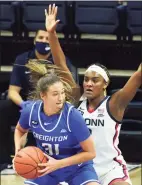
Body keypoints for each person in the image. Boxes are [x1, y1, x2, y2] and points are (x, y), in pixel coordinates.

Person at [45, 4, 142, 185]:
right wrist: (51, 34)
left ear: (105, 84)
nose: (88, 83)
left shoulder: (115, 103)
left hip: (109, 169)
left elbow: (138, 75)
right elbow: (61, 66)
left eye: (95, 80)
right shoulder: (76, 99)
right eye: (86, 79)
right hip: (80, 168)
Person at [0, 27, 78, 170]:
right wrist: (25, 106)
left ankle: (51, 158)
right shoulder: (23, 59)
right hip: (25, 104)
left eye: (48, 38)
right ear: (34, 40)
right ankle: (4, 160)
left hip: (50, 106)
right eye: (41, 38)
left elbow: (67, 91)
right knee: (2, 108)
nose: (44, 41)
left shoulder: (60, 61)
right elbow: (12, 91)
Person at [14, 60, 100, 185]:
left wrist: (58, 164)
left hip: (76, 168)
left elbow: (91, 153)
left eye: (62, 93)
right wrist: (18, 149)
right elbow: (20, 130)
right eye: (55, 94)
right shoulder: (30, 111)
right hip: (44, 168)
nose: (61, 98)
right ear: (43, 95)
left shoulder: (72, 116)